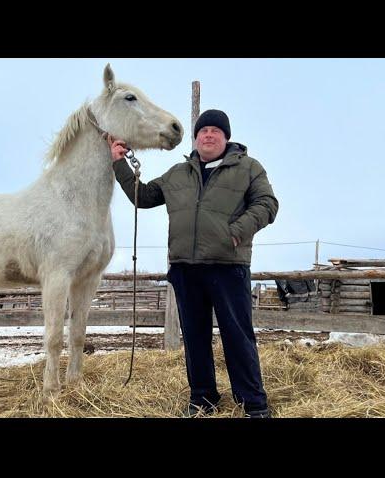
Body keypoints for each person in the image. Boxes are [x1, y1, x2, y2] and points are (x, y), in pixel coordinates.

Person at [109, 109, 279, 418]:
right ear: (196, 137)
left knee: (237, 337)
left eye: (216, 131)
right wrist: (120, 162)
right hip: (186, 269)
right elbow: (143, 196)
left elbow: (267, 204)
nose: (209, 135)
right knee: (195, 338)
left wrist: (237, 232)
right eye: (203, 131)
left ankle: (253, 403)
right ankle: (203, 399)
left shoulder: (248, 168)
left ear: (226, 137)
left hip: (228, 265)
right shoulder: (178, 173)